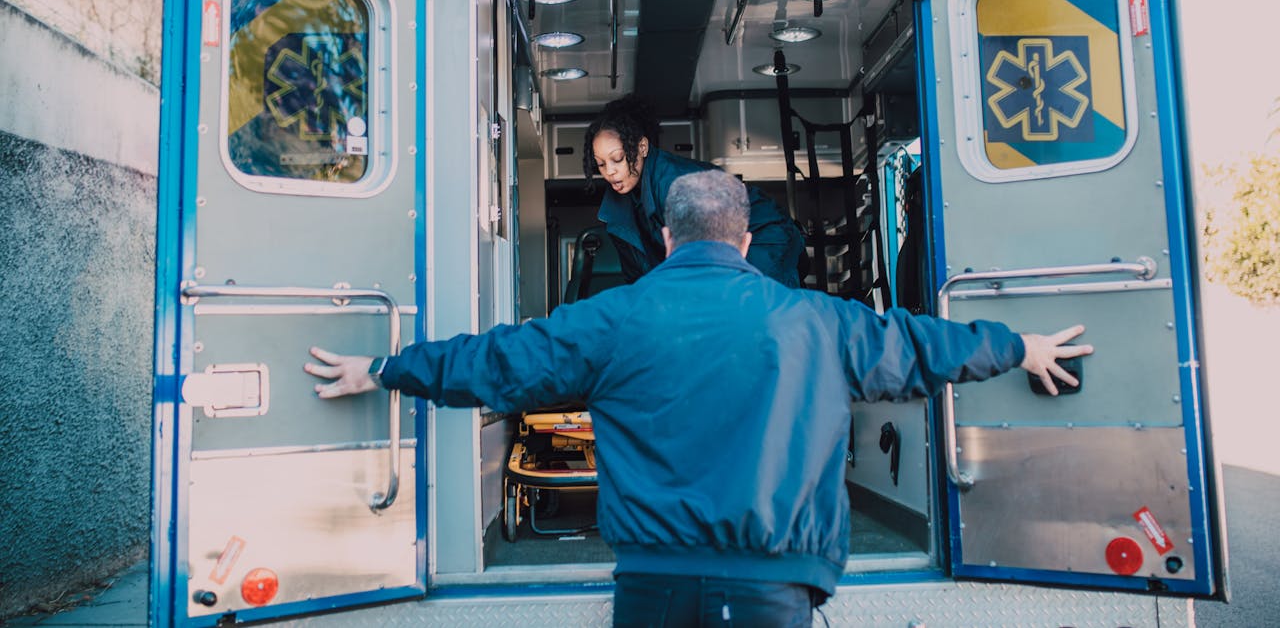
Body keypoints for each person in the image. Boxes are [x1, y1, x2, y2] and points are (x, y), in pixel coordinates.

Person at [306, 169, 1091, 627]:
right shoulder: (817, 320)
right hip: (774, 590)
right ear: (746, 240)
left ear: (669, 239)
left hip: (650, 587)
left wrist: (383, 367)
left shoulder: (614, 318)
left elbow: (498, 361)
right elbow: (923, 345)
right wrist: (1022, 346)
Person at [583, 94, 806, 287]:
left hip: (764, 238)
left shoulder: (676, 184)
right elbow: (639, 279)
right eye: (600, 164)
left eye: (617, 159)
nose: (609, 172)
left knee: (757, 319)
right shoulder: (618, 211)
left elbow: (703, 262)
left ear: (642, 147)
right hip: (720, 258)